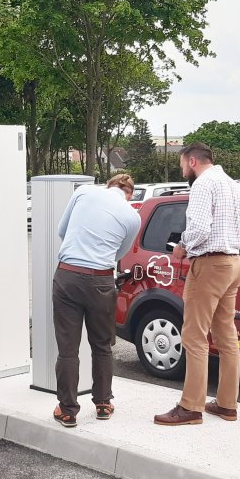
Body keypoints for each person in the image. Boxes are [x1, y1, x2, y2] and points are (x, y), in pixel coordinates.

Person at [154, 143, 240, 426]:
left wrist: (183, 247)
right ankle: (226, 404)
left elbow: (198, 228)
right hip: (234, 262)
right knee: (226, 335)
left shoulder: (202, 185)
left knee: (194, 336)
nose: (183, 170)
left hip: (209, 264)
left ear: (192, 160)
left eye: (183, 165)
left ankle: (190, 407)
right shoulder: (234, 185)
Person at [51, 174, 141, 428]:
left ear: (109, 185)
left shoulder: (84, 192)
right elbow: (119, 253)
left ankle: (67, 410)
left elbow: (62, 230)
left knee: (68, 348)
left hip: (68, 275)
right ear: (129, 194)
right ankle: (103, 403)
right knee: (101, 345)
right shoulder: (132, 215)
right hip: (101, 281)